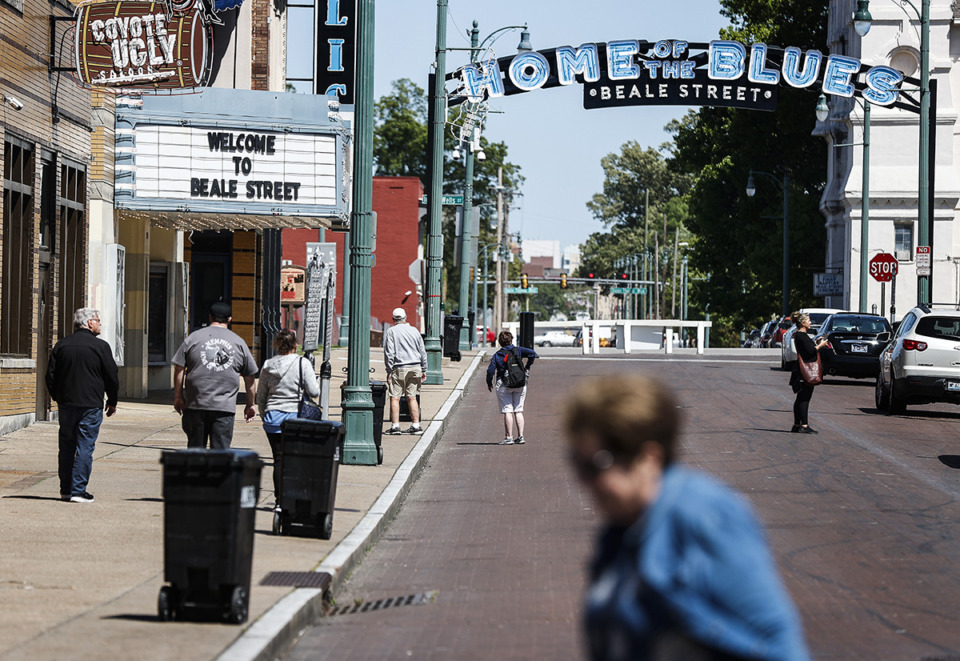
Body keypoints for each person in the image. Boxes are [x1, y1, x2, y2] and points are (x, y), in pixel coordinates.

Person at [564, 374, 810, 661]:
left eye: (596, 465)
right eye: (578, 464)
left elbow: (778, 640)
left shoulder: (705, 516)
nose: (584, 481)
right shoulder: (620, 530)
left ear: (648, 458)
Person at [46, 308, 120, 503]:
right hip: (91, 405)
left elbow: (50, 376)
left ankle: (66, 490)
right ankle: (79, 491)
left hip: (67, 404)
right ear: (89, 323)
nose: (100, 324)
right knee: (85, 446)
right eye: (97, 320)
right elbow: (112, 376)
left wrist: (58, 397)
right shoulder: (100, 347)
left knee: (67, 447)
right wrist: (112, 401)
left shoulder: (61, 345)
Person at [172, 301, 258, 448]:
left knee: (195, 451)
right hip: (224, 409)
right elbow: (250, 378)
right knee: (220, 454)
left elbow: (179, 368)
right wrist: (250, 404)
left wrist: (178, 396)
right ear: (230, 319)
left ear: (210, 317)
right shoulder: (239, 343)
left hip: (196, 406)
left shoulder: (193, 338)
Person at [255, 329, 319, 501]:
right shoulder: (302, 363)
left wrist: (264, 416)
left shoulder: (268, 365)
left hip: (272, 419)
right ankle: (293, 496)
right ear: (295, 345)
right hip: (295, 418)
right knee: (296, 459)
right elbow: (314, 391)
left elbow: (260, 396)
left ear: (278, 345)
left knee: (278, 459)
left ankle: (279, 499)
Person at [486, 330, 537, 445]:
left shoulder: (498, 355)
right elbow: (532, 353)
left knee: (507, 410)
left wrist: (489, 382)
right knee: (518, 410)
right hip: (520, 382)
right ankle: (521, 436)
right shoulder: (518, 350)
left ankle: (509, 437)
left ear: (500, 342)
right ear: (511, 340)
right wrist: (527, 366)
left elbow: (490, 371)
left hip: (504, 384)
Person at [383, 307, 427, 435]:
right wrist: (424, 369)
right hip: (415, 367)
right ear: (405, 317)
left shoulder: (391, 331)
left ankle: (395, 426)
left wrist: (389, 370)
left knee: (395, 397)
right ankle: (416, 425)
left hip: (399, 367)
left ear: (393, 319)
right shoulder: (414, 331)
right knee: (412, 397)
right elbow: (422, 351)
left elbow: (389, 353)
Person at [789, 311, 827, 434]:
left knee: (800, 398)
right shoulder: (801, 335)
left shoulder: (800, 335)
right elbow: (810, 352)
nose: (810, 322)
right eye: (809, 320)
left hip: (800, 370)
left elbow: (807, 348)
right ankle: (804, 425)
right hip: (804, 371)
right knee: (804, 398)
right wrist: (820, 345)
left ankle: (797, 424)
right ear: (803, 322)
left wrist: (816, 343)